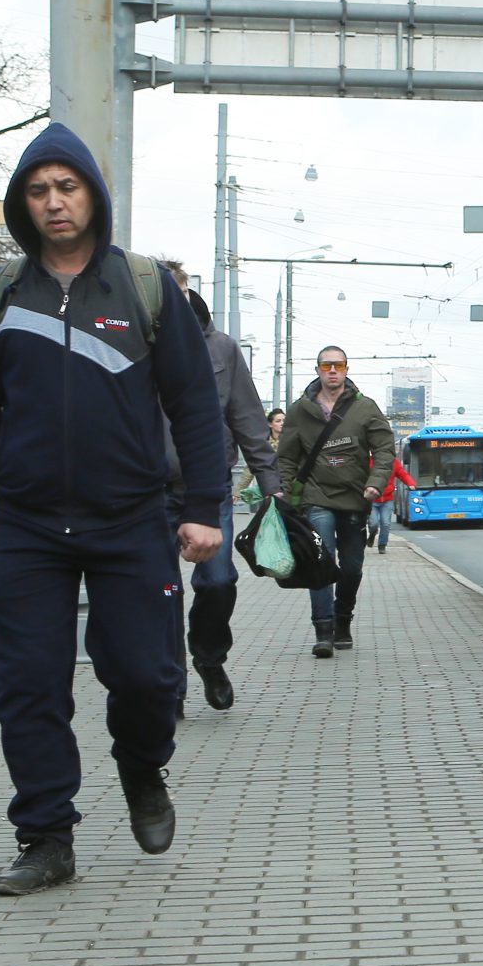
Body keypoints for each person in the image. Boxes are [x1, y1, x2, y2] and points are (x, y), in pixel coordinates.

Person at [0, 123, 227, 897]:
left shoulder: (144, 285)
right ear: (22, 203)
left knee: (148, 677)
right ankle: (46, 835)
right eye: (38, 190)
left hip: (133, 520)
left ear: (92, 193)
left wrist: (202, 507)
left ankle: (141, 767)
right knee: (28, 685)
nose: (54, 203)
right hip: (28, 526)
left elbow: (196, 405)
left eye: (67, 187)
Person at [158, 262, 280, 712]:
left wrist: (271, 485)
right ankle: (170, 682)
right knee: (160, 589)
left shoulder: (221, 349)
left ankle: (209, 657)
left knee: (218, 580)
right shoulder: (134, 341)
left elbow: (248, 419)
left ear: (189, 292)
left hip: (206, 489)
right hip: (146, 491)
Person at [278, 346, 393, 657]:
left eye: (338, 365)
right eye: (326, 365)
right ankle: (324, 630)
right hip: (317, 498)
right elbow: (286, 457)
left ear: (346, 369)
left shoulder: (365, 408)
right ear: (317, 370)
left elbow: (384, 450)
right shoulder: (299, 410)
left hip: (356, 497)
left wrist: (375, 484)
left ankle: (343, 620)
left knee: (352, 568)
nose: (332, 370)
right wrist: (287, 494)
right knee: (321, 561)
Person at [371, 451, 414, 553]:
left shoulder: (393, 463)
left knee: (385, 523)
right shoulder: (369, 461)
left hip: (387, 499)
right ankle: (372, 534)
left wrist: (410, 483)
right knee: (373, 523)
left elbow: (402, 474)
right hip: (372, 499)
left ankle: (382, 544)